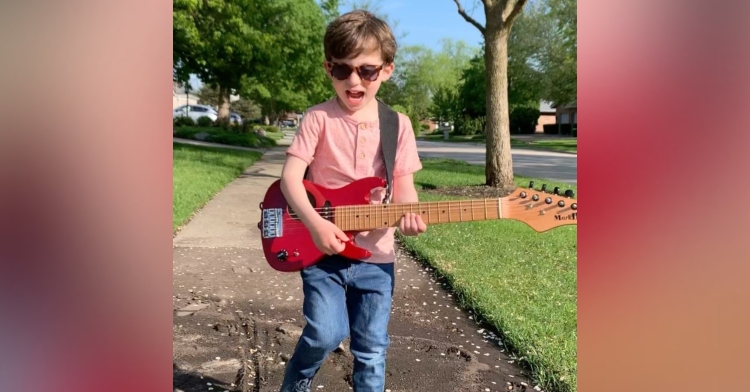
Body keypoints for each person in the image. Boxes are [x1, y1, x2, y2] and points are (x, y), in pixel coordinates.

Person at [278, 9, 427, 392]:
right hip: (322, 254)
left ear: (387, 70)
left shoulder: (399, 125)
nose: (354, 80)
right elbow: (290, 178)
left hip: (377, 258)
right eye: (342, 69)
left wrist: (409, 215)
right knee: (324, 335)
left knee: (372, 349)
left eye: (367, 70)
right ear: (328, 69)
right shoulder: (317, 119)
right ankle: (295, 384)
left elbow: (404, 187)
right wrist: (316, 224)